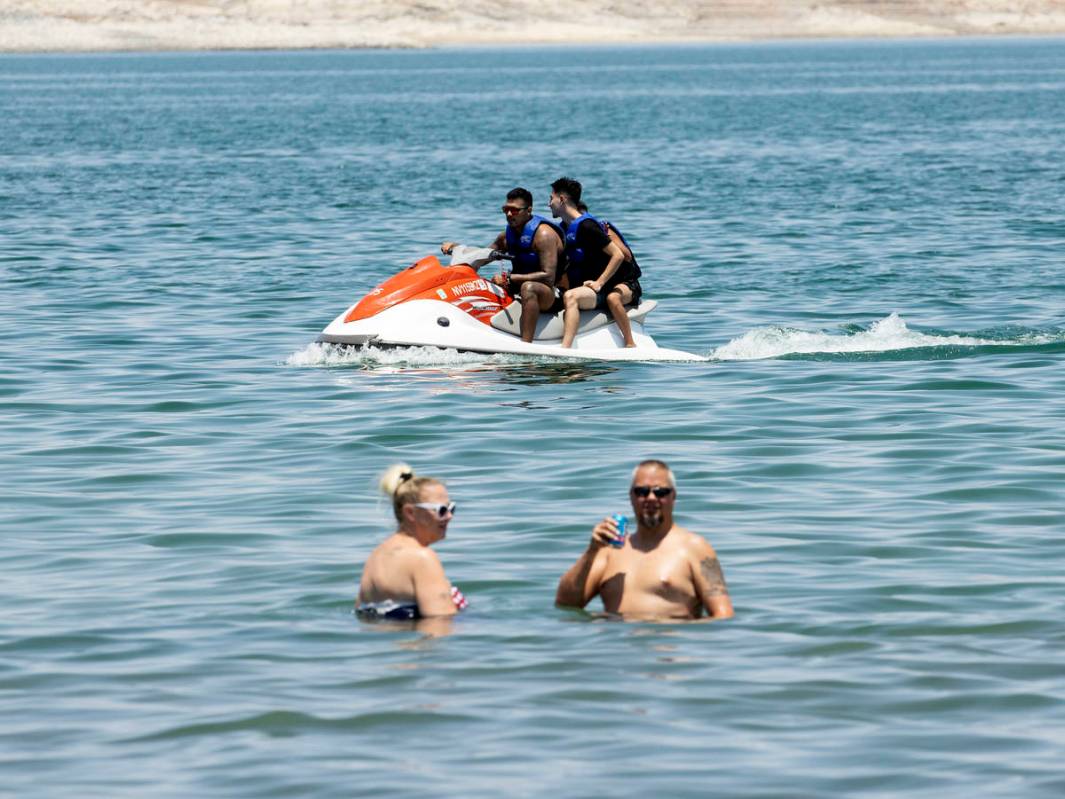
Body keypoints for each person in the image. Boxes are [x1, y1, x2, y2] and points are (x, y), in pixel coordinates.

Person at [555, 460, 734, 620]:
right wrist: (591, 550)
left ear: (673, 497)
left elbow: (723, 615)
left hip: (669, 651)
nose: (650, 498)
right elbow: (565, 604)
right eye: (641, 491)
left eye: (660, 492)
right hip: (613, 648)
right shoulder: (608, 552)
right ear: (631, 497)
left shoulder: (696, 549)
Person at [441, 187, 565, 343]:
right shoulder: (506, 236)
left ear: (529, 210)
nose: (508, 214)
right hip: (517, 284)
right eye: (506, 209)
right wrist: (456, 247)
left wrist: (509, 279)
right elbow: (483, 256)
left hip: (551, 293)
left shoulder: (544, 235)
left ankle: (525, 346)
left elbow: (548, 276)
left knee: (529, 288)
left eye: (514, 210)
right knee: (483, 284)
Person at [356, 463, 468, 621]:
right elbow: (439, 625)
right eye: (441, 510)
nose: (449, 516)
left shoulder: (376, 557)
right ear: (410, 512)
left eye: (451, 508)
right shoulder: (422, 558)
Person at [548, 177, 642, 348]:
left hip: (620, 284)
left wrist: (600, 282)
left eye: (551, 198)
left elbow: (618, 255)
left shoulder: (588, 226)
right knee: (565, 295)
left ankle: (629, 343)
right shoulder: (562, 229)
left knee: (612, 298)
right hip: (595, 289)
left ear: (561, 199)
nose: (549, 204)